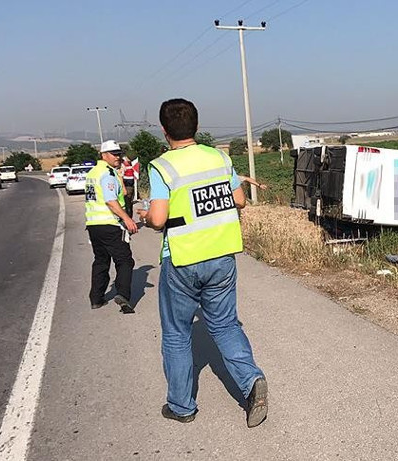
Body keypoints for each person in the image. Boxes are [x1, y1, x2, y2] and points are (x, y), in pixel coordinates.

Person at [137, 98, 267, 427]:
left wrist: (147, 215)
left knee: (178, 334)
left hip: (182, 259)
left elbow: (159, 218)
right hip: (222, 255)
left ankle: (182, 406)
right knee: (225, 325)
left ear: (164, 131)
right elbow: (239, 200)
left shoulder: (163, 167)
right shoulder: (219, 158)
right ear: (196, 125)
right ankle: (251, 382)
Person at [85, 140, 137, 314]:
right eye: (114, 154)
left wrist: (119, 175)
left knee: (101, 261)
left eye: (119, 154)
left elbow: (121, 192)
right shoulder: (107, 174)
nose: (118, 157)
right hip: (110, 224)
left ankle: (96, 298)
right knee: (125, 260)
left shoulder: (94, 172)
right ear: (103, 155)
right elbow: (110, 200)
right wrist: (127, 219)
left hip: (93, 225)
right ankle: (122, 295)